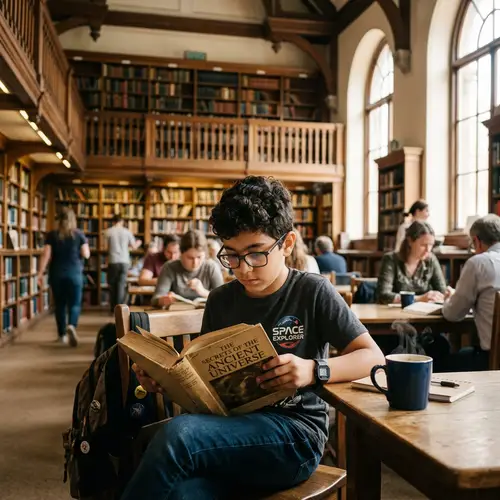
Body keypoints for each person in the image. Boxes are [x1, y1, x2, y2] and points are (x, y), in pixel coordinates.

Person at [122, 176, 384, 499]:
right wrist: (165, 380)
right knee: (182, 494)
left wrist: (314, 370)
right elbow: (205, 386)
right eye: (231, 256)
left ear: (287, 244)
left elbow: (373, 357)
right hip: (228, 430)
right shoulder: (220, 300)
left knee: (178, 436)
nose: (243, 269)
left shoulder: (312, 291)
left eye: (256, 254)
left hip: (294, 435)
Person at [442, 214, 500, 371]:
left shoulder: (478, 263)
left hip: (492, 361)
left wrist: (450, 298)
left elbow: (453, 315)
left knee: (440, 359)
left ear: (476, 241)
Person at [37, 207, 90, 346]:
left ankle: (62, 335)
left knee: (60, 304)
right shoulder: (79, 235)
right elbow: (86, 254)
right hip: (75, 274)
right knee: (74, 303)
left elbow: (46, 254)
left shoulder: (52, 235)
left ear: (58, 220)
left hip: (57, 274)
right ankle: (71, 325)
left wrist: (40, 273)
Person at [377, 220, 446, 305]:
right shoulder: (390, 260)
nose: (428, 250)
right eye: (423, 245)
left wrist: (447, 294)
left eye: (431, 244)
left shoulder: (431, 260)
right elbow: (383, 295)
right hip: (392, 314)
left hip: (422, 313)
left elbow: (442, 291)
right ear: (410, 241)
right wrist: (420, 298)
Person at [152, 229, 224, 307]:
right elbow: (155, 299)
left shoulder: (212, 267)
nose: (195, 262)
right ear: (181, 253)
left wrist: (203, 292)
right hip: (177, 315)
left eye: (199, 257)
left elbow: (224, 300)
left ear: (205, 254)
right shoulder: (169, 267)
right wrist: (163, 300)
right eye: (190, 258)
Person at [104, 214, 142, 312]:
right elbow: (134, 247)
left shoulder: (108, 232)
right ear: (122, 221)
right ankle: (119, 309)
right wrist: (139, 243)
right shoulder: (127, 232)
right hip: (124, 261)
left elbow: (105, 247)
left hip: (113, 260)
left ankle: (112, 308)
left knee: (112, 285)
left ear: (113, 222)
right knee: (121, 285)